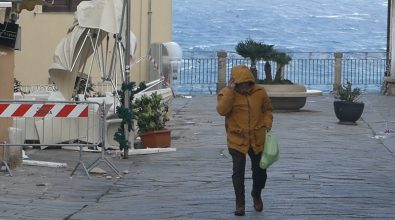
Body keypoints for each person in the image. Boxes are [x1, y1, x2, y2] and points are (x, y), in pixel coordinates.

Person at [216, 64, 273, 216]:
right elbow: (222, 111)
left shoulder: (260, 92)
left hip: (257, 138)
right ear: (235, 82)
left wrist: (267, 124)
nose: (245, 87)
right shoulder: (227, 93)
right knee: (238, 171)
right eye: (242, 84)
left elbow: (267, 110)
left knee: (260, 172)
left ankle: (256, 193)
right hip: (237, 139)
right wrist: (229, 91)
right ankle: (240, 203)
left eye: (248, 83)